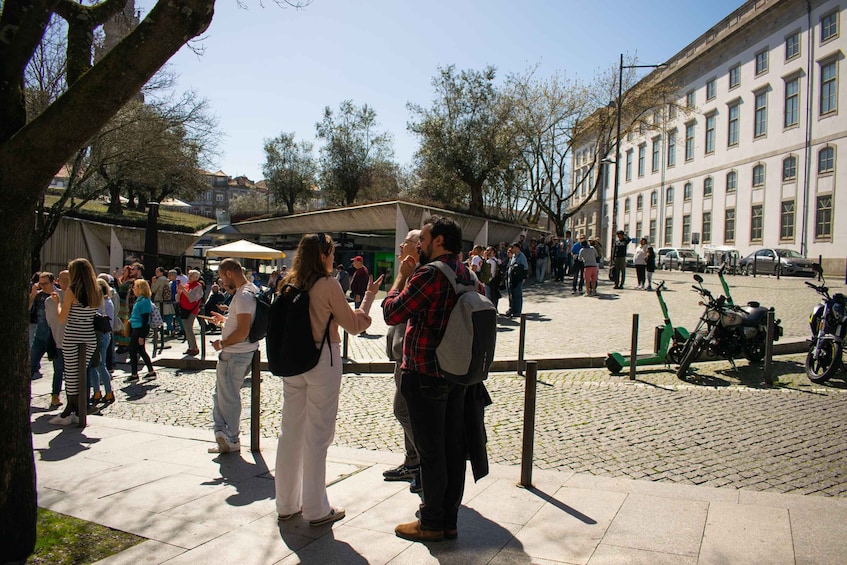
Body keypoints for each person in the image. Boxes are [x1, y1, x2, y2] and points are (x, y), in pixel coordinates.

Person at [382, 215, 486, 543]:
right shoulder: (470, 274)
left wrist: (400, 278)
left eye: (424, 239)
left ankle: (430, 522)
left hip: (425, 374)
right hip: (458, 375)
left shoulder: (429, 274)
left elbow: (392, 313)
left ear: (439, 241)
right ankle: (448, 521)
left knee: (431, 453)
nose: (420, 244)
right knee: (453, 451)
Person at [275, 234, 382, 527]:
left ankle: (285, 503)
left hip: (293, 362)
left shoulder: (287, 283)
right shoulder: (327, 284)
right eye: (332, 253)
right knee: (318, 436)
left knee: (290, 432)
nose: (334, 258)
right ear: (323, 255)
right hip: (322, 359)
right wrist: (370, 297)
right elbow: (354, 325)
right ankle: (315, 508)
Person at [207, 258, 261, 454]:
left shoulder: (243, 295)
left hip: (236, 353)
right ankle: (222, 433)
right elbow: (241, 323)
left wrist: (221, 343)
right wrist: (225, 321)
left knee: (228, 396)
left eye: (222, 277)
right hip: (241, 351)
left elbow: (243, 331)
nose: (222, 282)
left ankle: (231, 437)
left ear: (229, 273)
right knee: (221, 394)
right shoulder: (250, 290)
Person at [382, 230, 422, 492]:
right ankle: (413, 462)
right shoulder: (414, 276)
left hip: (411, 360)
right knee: (407, 411)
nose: (400, 245)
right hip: (401, 357)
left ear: (418, 248)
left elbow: (391, 310)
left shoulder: (417, 278)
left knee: (404, 411)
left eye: (406, 241)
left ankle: (424, 463)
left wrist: (400, 277)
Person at [48, 258, 102, 425]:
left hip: (72, 336)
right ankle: (78, 410)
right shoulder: (97, 290)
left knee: (71, 375)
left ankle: (71, 410)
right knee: (81, 374)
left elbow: (62, 318)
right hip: (89, 336)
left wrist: (58, 303)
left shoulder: (72, 291)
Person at [87, 278, 115, 407]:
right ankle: (97, 391)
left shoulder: (103, 303)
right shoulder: (107, 301)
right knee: (94, 365)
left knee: (99, 364)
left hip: (101, 335)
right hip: (102, 335)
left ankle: (108, 392)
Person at [44, 271, 68, 409]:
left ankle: (55, 395)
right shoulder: (73, 298)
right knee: (72, 372)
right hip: (69, 340)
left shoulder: (49, 301)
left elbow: (49, 321)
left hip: (57, 338)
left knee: (58, 370)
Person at [126, 279, 156, 382]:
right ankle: (151, 372)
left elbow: (145, 319)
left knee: (133, 351)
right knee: (140, 351)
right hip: (135, 327)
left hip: (139, 329)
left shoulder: (144, 301)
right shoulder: (140, 300)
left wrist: (142, 336)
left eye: (135, 287)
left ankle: (134, 374)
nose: (133, 289)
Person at [29, 272, 55, 381]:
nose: (43, 286)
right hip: (40, 335)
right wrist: (32, 295)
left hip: (54, 337)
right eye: (41, 284)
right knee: (31, 364)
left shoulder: (57, 295)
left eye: (46, 284)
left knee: (59, 368)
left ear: (52, 282)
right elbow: (28, 309)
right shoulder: (38, 296)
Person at [177, 269, 203, 356]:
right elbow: (179, 297)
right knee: (186, 328)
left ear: (196, 277)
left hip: (192, 310)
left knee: (189, 328)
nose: (189, 277)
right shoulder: (187, 285)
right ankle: (190, 347)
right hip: (184, 308)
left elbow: (192, 298)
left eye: (191, 275)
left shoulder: (198, 286)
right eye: (189, 275)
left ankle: (194, 347)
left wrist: (183, 290)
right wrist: (179, 291)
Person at [505, 242, 528, 317]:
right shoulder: (514, 256)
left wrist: (523, 278)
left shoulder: (521, 256)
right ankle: (512, 309)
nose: (511, 249)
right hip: (511, 278)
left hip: (517, 279)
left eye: (513, 247)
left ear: (517, 248)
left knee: (518, 295)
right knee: (512, 295)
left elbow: (525, 268)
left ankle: (517, 311)